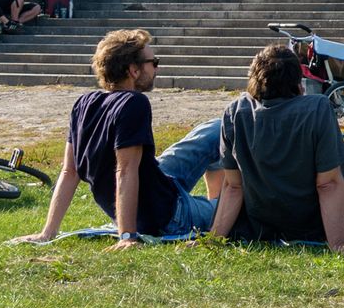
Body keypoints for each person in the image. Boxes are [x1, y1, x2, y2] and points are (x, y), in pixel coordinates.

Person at [14, 30, 223, 247]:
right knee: (238, 208)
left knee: (221, 128)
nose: (157, 68)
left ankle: (215, 195)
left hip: (158, 185)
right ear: (133, 70)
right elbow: (125, 171)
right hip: (169, 216)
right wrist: (127, 236)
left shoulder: (84, 103)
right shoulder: (134, 103)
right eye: (154, 62)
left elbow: (70, 171)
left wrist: (48, 232)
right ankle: (217, 202)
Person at [210, 46, 344, 253]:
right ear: (297, 82)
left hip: (272, 222)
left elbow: (232, 186)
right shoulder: (316, 109)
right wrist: (338, 243)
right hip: (320, 222)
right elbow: (328, 184)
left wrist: (214, 239)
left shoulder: (235, 112)